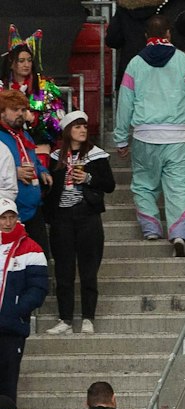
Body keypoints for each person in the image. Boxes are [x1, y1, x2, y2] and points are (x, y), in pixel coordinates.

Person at [110, 15, 185, 254]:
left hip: (145, 136)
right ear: (169, 34)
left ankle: (151, 228)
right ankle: (178, 235)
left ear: (146, 36)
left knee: (144, 185)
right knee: (178, 187)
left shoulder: (135, 64)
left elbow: (124, 104)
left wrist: (121, 138)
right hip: (177, 138)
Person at [40, 110, 111, 337]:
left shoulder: (97, 156)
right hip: (62, 219)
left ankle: (88, 317)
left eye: (84, 127)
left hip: (87, 217)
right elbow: (49, 188)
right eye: (77, 127)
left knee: (89, 270)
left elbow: (109, 185)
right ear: (68, 131)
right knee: (63, 270)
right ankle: (66, 319)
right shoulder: (56, 157)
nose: (82, 131)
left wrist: (89, 179)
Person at [0, 200, 45, 400]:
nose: (8, 222)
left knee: (8, 386)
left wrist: (16, 310)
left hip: (12, 328)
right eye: (3, 218)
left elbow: (38, 288)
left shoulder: (32, 248)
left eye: (12, 217)